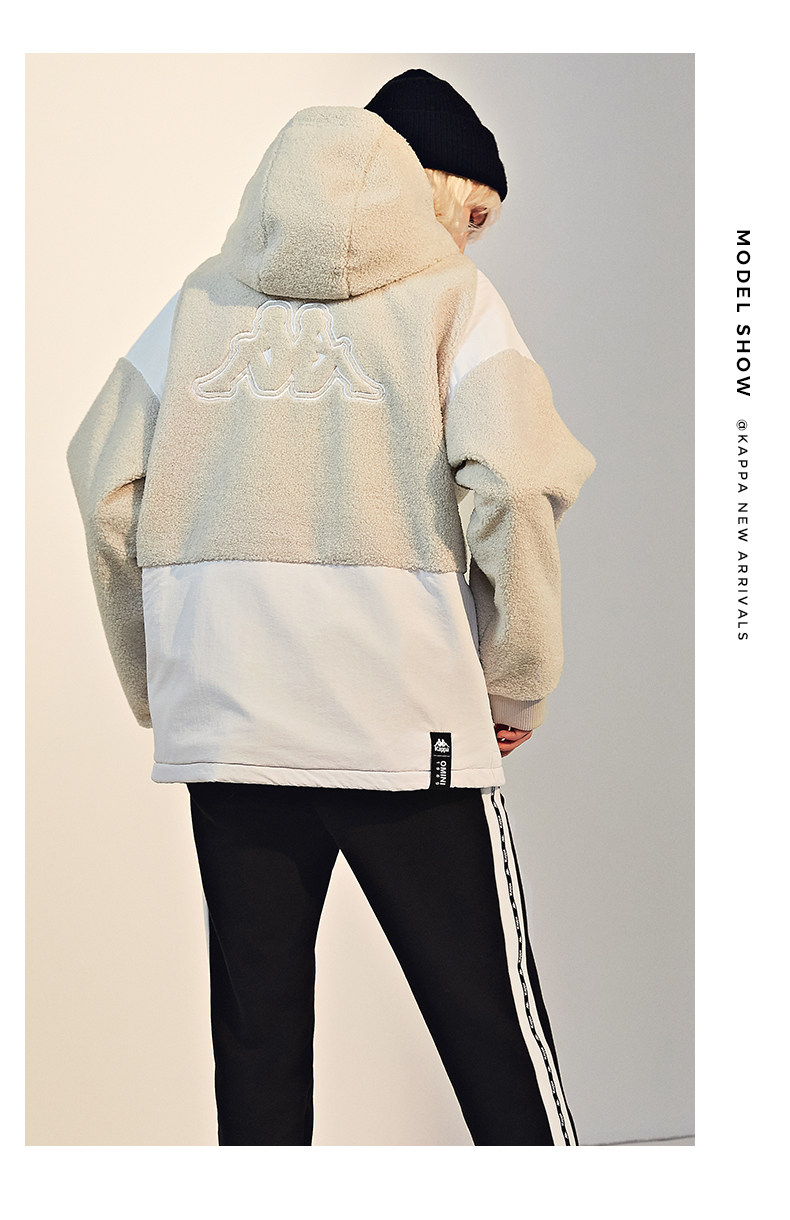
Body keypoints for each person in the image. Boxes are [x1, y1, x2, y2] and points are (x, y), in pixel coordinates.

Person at [66, 68, 596, 1146]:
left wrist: (163, 682)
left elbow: (104, 483)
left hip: (231, 729)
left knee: (258, 1052)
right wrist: (516, 679)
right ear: (434, 186)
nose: (473, 238)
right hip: (406, 722)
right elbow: (510, 485)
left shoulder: (201, 302)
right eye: (475, 213)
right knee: (496, 1040)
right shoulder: (456, 301)